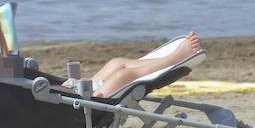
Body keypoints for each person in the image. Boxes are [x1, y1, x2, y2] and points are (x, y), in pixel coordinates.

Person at [63, 32, 203, 98]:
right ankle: (174, 58)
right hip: (80, 106)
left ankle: (168, 59)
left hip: (66, 97)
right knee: (123, 76)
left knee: (117, 63)